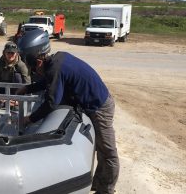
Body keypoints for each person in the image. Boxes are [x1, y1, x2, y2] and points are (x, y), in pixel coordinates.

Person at [16, 29, 119, 194]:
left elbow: (51, 102)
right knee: (101, 148)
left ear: (38, 61)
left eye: (31, 65)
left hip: (100, 107)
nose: (32, 70)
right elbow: (49, 82)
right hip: (93, 103)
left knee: (107, 151)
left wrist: (30, 119)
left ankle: (106, 190)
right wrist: (28, 88)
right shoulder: (58, 59)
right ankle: (99, 185)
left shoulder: (55, 69)